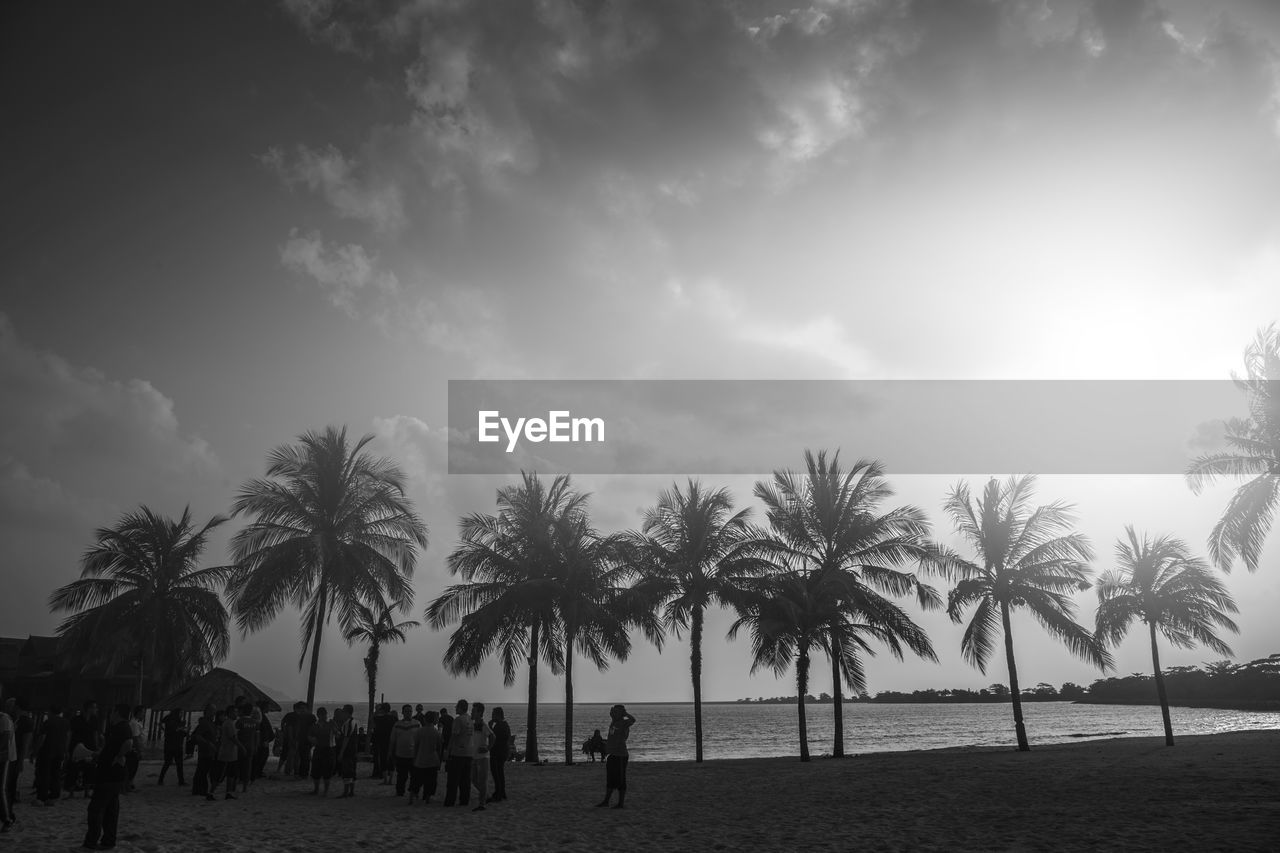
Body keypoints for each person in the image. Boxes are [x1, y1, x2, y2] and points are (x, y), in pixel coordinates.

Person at [83, 703, 133, 850]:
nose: (110, 715)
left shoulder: (121, 727)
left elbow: (129, 743)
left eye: (112, 713)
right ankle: (108, 841)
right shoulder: (121, 727)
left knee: (96, 809)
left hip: (109, 775)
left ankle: (91, 841)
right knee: (111, 809)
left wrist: (119, 756)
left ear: (117, 713)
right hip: (114, 775)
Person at [596, 704, 636, 809]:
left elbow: (633, 719)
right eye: (613, 711)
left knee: (621, 780)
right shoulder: (614, 721)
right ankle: (606, 801)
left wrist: (625, 713)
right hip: (612, 755)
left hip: (620, 755)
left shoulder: (624, 722)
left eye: (615, 711)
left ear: (621, 713)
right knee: (610, 779)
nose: (612, 713)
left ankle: (620, 803)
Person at [33, 705, 70, 806]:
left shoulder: (48, 722)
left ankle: (42, 797)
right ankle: (54, 796)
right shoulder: (66, 722)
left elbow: (42, 738)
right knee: (56, 774)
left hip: (47, 750)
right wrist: (66, 751)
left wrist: (35, 750)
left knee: (44, 774)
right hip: (60, 751)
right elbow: (67, 737)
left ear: (50, 712)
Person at [442, 699, 472, 807]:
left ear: (460, 707)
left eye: (457, 707)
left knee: (453, 779)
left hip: (458, 753)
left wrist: (448, 750)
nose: (455, 708)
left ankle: (450, 801)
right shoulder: (470, 719)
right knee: (465, 779)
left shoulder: (458, 720)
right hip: (468, 752)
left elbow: (454, 736)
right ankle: (464, 800)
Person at [408, 710, 441, 805]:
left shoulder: (419, 731)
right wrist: (438, 760)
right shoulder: (437, 733)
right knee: (430, 781)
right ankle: (427, 798)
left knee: (416, 780)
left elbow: (416, 746)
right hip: (432, 760)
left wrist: (414, 758)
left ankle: (412, 797)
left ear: (425, 720)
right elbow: (439, 748)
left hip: (420, 759)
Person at [388, 705, 420, 797]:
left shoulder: (417, 723)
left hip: (413, 755)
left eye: (410, 711)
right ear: (402, 712)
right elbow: (392, 740)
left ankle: (414, 792)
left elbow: (420, 738)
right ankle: (400, 792)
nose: (408, 713)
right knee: (401, 776)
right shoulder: (397, 725)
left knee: (414, 776)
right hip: (400, 755)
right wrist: (390, 752)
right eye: (406, 711)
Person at [469, 703, 494, 812]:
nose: (472, 712)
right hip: (474, 756)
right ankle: (486, 796)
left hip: (483, 757)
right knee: (473, 779)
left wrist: (488, 748)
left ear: (479, 712)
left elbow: (493, 736)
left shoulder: (483, 725)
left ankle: (482, 803)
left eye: (473, 711)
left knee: (482, 780)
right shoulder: (473, 724)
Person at [189, 706, 218, 800]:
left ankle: (198, 790)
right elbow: (197, 736)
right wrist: (208, 744)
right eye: (213, 711)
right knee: (202, 771)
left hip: (209, 751)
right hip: (205, 751)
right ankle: (200, 790)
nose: (214, 714)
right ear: (208, 712)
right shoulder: (204, 723)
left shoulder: (210, 723)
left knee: (203, 771)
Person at [217, 704, 244, 800]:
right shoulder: (229, 723)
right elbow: (233, 738)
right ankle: (225, 792)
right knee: (226, 773)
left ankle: (229, 792)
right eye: (235, 712)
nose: (236, 713)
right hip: (228, 752)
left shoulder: (231, 723)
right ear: (230, 713)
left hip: (231, 752)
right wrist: (242, 747)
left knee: (231, 773)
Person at [308, 707, 335, 796]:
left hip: (328, 749)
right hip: (318, 749)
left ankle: (325, 791)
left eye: (325, 714)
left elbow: (338, 734)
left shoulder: (330, 724)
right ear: (318, 715)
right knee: (316, 770)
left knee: (327, 771)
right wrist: (312, 739)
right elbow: (309, 736)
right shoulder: (314, 726)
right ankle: (316, 789)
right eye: (322, 715)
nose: (324, 716)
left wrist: (334, 727)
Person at [158, 708, 187, 786]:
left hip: (171, 744)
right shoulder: (174, 721)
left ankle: (161, 780)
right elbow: (174, 730)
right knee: (175, 764)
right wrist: (181, 729)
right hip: (174, 745)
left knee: (170, 763)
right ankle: (180, 781)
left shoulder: (171, 719)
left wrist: (163, 730)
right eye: (181, 713)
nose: (182, 715)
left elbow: (161, 724)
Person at [336, 705, 359, 798]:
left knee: (347, 771)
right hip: (353, 749)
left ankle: (346, 792)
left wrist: (341, 752)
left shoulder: (348, 723)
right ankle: (351, 791)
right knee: (352, 771)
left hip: (348, 750)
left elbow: (346, 738)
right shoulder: (353, 722)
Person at [0, 690, 15, 832]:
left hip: (4, 759)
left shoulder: (4, 718)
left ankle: (7, 819)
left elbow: (5, 739)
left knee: (1, 789)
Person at [489, 707, 510, 802]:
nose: (492, 716)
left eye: (493, 714)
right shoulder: (505, 725)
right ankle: (502, 792)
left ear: (497, 715)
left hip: (497, 753)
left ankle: (498, 793)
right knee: (500, 773)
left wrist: (489, 727)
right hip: (503, 752)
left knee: (496, 773)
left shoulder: (499, 726)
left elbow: (493, 738)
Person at [371, 703, 395, 782]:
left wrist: (377, 710)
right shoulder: (394, 718)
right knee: (391, 759)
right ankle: (391, 779)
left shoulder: (378, 719)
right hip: (391, 740)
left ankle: (385, 780)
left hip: (381, 741)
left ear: (382, 709)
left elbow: (372, 721)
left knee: (383, 759)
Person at [252, 701, 274, 781]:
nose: (269, 708)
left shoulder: (262, 716)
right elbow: (261, 730)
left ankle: (258, 772)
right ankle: (257, 772)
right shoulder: (260, 717)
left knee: (263, 756)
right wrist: (263, 740)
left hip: (264, 740)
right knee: (261, 756)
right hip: (263, 740)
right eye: (268, 706)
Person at [125, 706, 144, 793]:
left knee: (132, 767)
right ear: (139, 713)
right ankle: (128, 786)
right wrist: (139, 750)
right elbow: (135, 738)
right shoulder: (134, 724)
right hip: (134, 748)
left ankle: (129, 784)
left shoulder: (134, 722)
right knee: (132, 767)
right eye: (142, 712)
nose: (143, 714)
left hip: (134, 747)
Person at [294, 703, 316, 778]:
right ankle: (301, 773)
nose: (302, 709)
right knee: (302, 756)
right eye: (301, 708)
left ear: (307, 709)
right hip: (301, 739)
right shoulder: (299, 717)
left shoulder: (311, 717)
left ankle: (304, 774)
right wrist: (296, 738)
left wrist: (312, 739)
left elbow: (313, 727)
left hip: (307, 739)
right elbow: (298, 727)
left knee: (305, 757)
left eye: (304, 708)